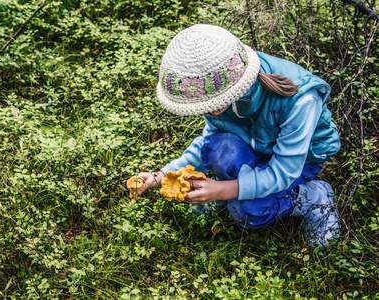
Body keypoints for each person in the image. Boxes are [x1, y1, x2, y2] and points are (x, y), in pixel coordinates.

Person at [129, 24, 341, 247]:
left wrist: (221, 191)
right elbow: (208, 141)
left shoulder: (300, 100)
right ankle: (235, 184)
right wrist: (160, 176)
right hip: (257, 145)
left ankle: (314, 198)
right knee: (217, 150)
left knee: (247, 211)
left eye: (209, 105)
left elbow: (284, 171)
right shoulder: (221, 86)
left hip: (300, 161)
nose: (207, 111)